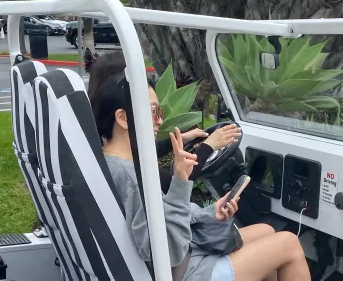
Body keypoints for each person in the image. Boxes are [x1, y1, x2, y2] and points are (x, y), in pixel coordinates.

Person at [95, 71, 313, 281]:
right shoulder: (130, 177)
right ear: (123, 118)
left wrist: (210, 213)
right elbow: (167, 252)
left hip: (178, 267)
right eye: (154, 111)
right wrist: (180, 181)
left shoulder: (112, 163)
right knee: (289, 243)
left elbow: (159, 219)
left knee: (267, 231)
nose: (159, 121)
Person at [88, 51, 240, 191]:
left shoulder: (99, 140)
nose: (160, 120)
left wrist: (176, 139)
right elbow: (173, 189)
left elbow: (139, 150)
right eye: (152, 110)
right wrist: (207, 147)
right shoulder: (128, 171)